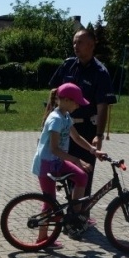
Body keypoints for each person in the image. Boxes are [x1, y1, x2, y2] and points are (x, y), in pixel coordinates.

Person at [49, 28, 116, 221]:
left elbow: (103, 106)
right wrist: (47, 120)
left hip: (86, 129)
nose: (75, 46)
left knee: (85, 172)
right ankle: (65, 213)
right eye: (74, 42)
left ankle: (79, 215)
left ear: (92, 45)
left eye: (79, 42)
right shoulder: (68, 65)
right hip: (63, 127)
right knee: (63, 170)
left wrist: (99, 134)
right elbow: (54, 93)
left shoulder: (100, 72)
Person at [33, 82, 104, 247]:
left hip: (57, 162)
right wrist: (77, 160)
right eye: (76, 102)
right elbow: (55, 149)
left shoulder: (66, 117)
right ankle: (42, 237)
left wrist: (94, 150)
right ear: (65, 100)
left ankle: (75, 215)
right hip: (46, 164)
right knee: (50, 203)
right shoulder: (55, 119)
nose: (78, 105)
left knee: (81, 177)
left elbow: (77, 138)